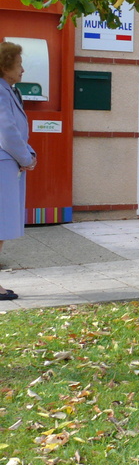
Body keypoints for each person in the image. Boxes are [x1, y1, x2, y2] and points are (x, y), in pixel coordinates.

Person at [0, 42, 36, 300]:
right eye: (19, 64)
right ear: (5, 66)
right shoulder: (1, 92)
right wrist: (27, 158)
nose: (22, 70)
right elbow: (7, 133)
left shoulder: (7, 90)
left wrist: (27, 154)